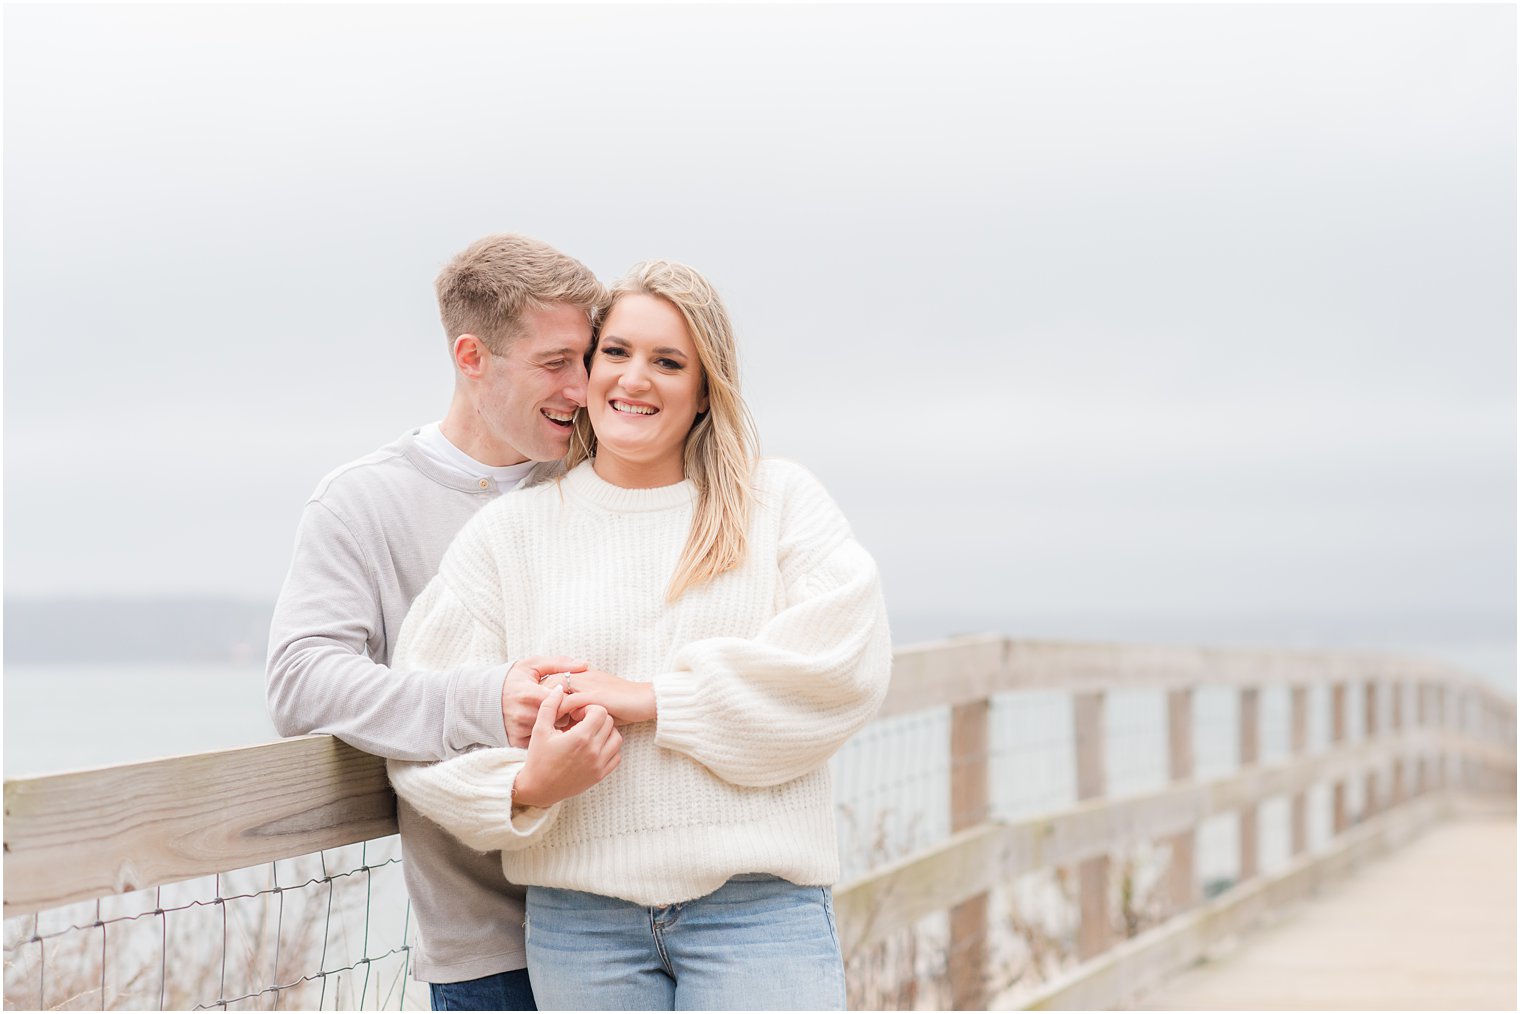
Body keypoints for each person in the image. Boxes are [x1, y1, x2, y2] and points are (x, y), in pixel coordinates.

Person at [386, 260, 892, 1011]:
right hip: (582, 928)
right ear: (588, 371)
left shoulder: (777, 501)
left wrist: (654, 699)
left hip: (757, 915)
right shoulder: (511, 535)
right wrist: (525, 788)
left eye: (668, 361)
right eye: (616, 352)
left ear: (702, 389)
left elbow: (843, 664)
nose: (635, 379)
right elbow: (420, 721)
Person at [266, 234, 623, 1011]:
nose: (584, 386)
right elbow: (299, 680)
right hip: (485, 949)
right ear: (473, 357)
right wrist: (482, 704)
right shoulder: (363, 502)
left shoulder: (611, 479)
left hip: (632, 924)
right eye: (556, 362)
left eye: (589, 358)